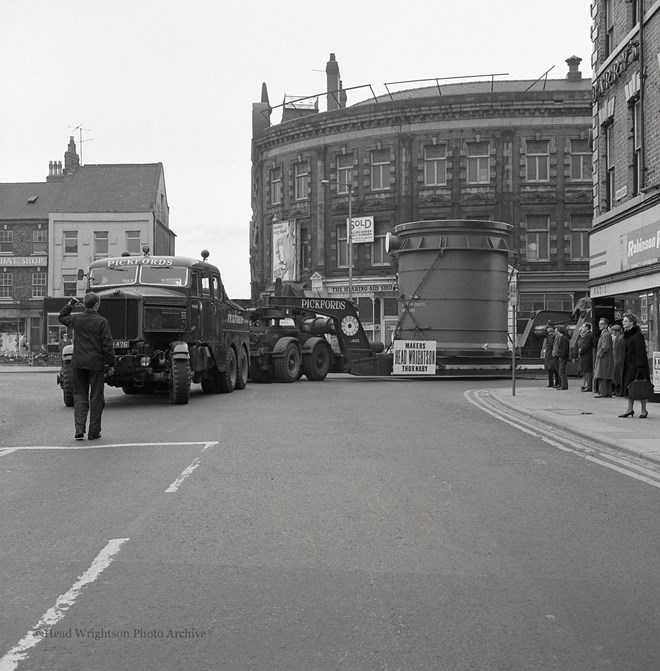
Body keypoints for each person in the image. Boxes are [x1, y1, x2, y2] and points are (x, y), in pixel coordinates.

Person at [58, 293, 116, 440]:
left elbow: (62, 317)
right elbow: (108, 345)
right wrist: (111, 364)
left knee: (79, 396)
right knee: (96, 398)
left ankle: (79, 429)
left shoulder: (77, 319)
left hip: (78, 364)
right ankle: (94, 431)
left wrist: (70, 303)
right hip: (96, 365)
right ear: (96, 305)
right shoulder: (102, 322)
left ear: (85, 305)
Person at [619, 313, 652, 418]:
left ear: (632, 322)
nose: (623, 323)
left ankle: (643, 410)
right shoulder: (627, 335)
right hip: (628, 365)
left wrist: (640, 367)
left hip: (638, 366)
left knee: (641, 387)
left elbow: (641, 352)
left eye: (625, 321)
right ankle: (629, 409)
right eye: (623, 321)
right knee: (630, 387)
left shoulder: (637, 335)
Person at [593, 317, 614, 398]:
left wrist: (599, 354)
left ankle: (603, 392)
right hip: (605, 358)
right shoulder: (605, 334)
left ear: (606, 325)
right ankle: (607, 392)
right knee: (605, 375)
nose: (599, 325)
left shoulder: (605, 334)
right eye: (599, 324)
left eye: (602, 324)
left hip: (604, 358)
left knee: (602, 375)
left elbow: (605, 346)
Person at [576, 322, 594, 392]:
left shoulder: (588, 335)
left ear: (587, 328)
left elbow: (585, 345)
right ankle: (587, 385)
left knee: (588, 372)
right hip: (585, 355)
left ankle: (589, 386)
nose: (582, 328)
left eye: (583, 327)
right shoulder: (586, 335)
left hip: (587, 356)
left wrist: (580, 351)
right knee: (586, 372)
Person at [544, 322, 560, 388]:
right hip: (550, 354)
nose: (547, 329)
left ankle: (553, 383)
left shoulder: (552, 335)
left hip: (551, 354)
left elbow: (550, 345)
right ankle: (556, 383)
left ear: (551, 328)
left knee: (552, 369)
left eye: (548, 327)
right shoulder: (551, 335)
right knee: (554, 369)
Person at [610, 324, 624, 396]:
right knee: (617, 376)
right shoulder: (619, 337)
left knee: (618, 376)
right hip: (617, 359)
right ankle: (618, 390)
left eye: (613, 331)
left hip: (618, 360)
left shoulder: (620, 338)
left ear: (616, 331)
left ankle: (619, 391)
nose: (613, 333)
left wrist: (617, 360)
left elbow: (619, 351)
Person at [555, 325, 570, 390]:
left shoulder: (564, 338)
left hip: (563, 358)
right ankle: (563, 385)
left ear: (559, 331)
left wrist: (561, 355)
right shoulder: (563, 338)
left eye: (556, 330)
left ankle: (564, 386)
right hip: (562, 357)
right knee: (562, 371)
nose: (555, 331)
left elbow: (565, 349)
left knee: (561, 371)